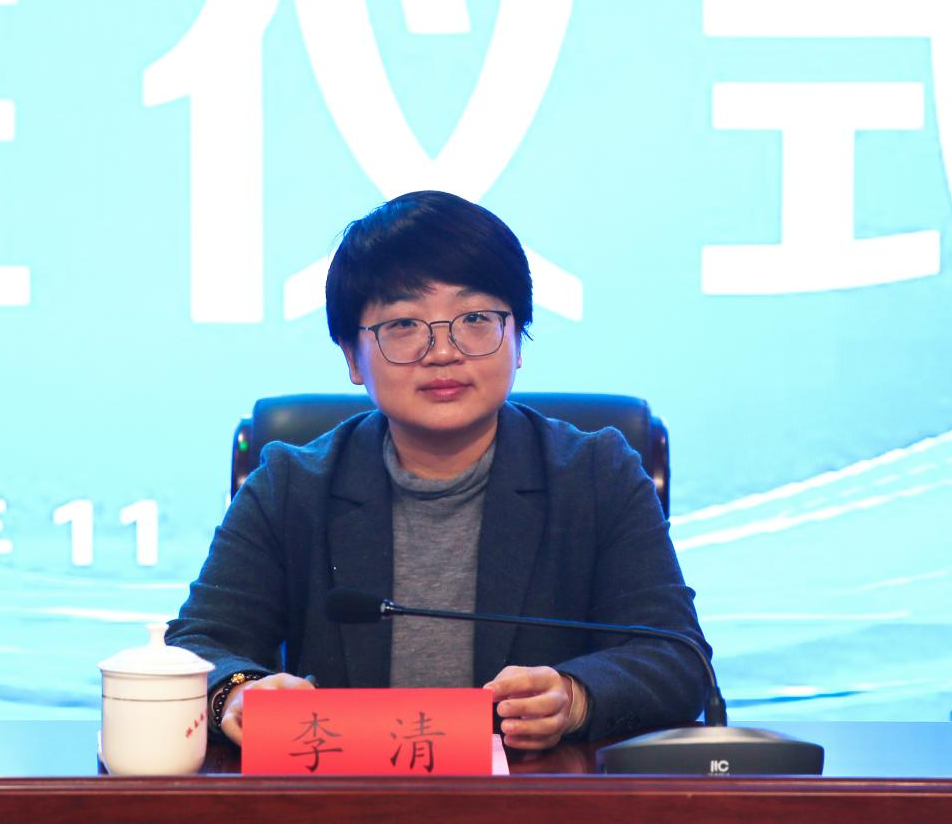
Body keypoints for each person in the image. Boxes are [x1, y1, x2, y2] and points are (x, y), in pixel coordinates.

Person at [168, 190, 710, 750]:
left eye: (475, 318)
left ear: (518, 339)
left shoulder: (596, 476)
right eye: (404, 324)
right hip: (347, 791)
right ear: (353, 358)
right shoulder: (291, 486)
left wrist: (576, 696)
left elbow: (675, 657)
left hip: (532, 793)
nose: (443, 351)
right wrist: (238, 692)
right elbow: (196, 646)